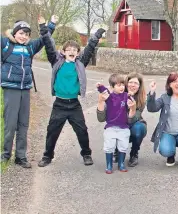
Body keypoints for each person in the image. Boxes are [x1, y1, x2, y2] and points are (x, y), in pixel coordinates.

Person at [37, 22, 105, 167]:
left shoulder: (80, 63)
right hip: (59, 104)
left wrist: (99, 31)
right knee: (52, 131)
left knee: (82, 131)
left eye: (75, 49)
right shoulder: (56, 61)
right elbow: (49, 44)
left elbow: (90, 47)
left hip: (74, 104)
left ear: (78, 53)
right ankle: (47, 156)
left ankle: (86, 154)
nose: (72, 51)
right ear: (63, 52)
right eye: (69, 49)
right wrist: (44, 27)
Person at [1, 16, 57, 168]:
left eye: (26, 34)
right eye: (21, 33)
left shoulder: (30, 47)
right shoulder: (5, 44)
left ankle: (20, 156)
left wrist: (50, 24)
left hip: (25, 89)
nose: (23, 36)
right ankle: (5, 154)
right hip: (10, 89)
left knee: (23, 124)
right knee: (10, 124)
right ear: (14, 33)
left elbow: (44, 38)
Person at [97, 72, 148, 167]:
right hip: (117, 125)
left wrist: (132, 107)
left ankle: (134, 153)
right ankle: (116, 151)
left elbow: (130, 120)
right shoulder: (113, 97)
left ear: (139, 86)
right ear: (125, 83)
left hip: (131, 124)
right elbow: (101, 118)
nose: (133, 85)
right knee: (113, 130)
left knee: (138, 129)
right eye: (130, 82)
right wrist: (100, 101)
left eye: (136, 83)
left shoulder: (141, 99)